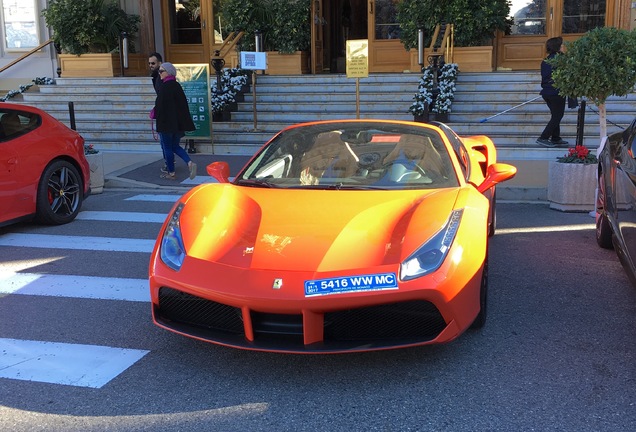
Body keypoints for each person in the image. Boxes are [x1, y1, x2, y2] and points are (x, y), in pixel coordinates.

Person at [153, 62, 197, 181]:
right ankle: (189, 162)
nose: (159, 73)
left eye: (162, 71)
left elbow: (160, 106)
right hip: (177, 124)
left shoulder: (164, 87)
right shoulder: (177, 86)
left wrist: (154, 113)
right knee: (175, 146)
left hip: (166, 124)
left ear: (168, 72)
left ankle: (171, 172)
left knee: (167, 147)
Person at [537, 37, 568, 147]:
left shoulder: (545, 61)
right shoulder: (561, 60)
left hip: (546, 93)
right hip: (556, 93)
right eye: (562, 45)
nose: (564, 47)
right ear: (558, 47)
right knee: (557, 116)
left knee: (555, 114)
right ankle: (543, 137)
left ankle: (555, 137)